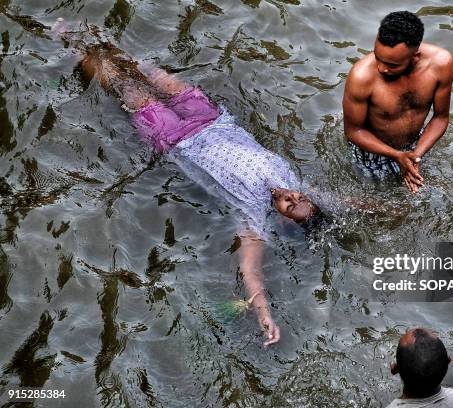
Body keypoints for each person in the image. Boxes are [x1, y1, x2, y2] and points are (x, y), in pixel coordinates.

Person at [56, 23, 317, 346]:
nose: (289, 195)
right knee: (147, 70)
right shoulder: (295, 185)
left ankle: (70, 42)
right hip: (212, 117)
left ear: (281, 217)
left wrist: (264, 315)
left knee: (125, 86)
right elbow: (346, 202)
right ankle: (99, 36)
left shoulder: (255, 218)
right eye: (297, 196)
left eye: (288, 205)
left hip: (178, 140)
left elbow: (251, 272)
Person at [343, 11, 453, 193]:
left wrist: (415, 157)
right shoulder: (361, 77)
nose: (381, 68)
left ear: (415, 56)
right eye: (377, 57)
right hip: (372, 152)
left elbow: (441, 117)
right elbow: (353, 131)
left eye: (392, 65)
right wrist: (396, 155)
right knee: (380, 205)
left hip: (416, 145)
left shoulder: (441, 64)